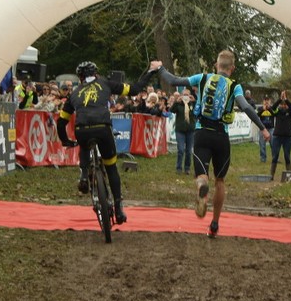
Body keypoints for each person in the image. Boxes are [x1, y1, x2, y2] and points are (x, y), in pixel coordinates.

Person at [153, 51, 271, 238]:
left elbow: (174, 80)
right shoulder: (235, 87)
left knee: (202, 174)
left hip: (201, 133)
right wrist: (263, 128)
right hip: (221, 137)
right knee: (220, 180)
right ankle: (215, 224)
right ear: (232, 68)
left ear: (216, 65)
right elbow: (247, 107)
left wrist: (159, 68)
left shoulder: (202, 78)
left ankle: (202, 186)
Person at [56, 61, 157, 224]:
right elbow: (135, 89)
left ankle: (83, 174)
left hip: (82, 129)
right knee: (111, 167)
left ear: (80, 77)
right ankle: (118, 209)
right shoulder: (105, 83)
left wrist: (65, 140)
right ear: (95, 74)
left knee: (83, 144)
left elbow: (61, 122)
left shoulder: (74, 93)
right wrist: (151, 72)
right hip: (103, 127)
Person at [269, 90, 291, 181]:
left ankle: (289, 175)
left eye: (285, 104)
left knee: (287, 156)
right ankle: (271, 175)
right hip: (277, 137)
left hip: (287, 137)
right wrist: (280, 99)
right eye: (282, 104)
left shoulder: (290, 113)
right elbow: (272, 108)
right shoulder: (277, 111)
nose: (283, 106)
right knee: (275, 156)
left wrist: (286, 99)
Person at [171, 88, 196, 174]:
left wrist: (194, 101)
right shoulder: (179, 104)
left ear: (190, 96)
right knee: (181, 150)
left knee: (189, 151)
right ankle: (178, 168)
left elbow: (198, 112)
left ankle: (187, 168)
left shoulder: (193, 104)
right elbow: (172, 110)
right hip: (180, 130)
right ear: (181, 95)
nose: (185, 96)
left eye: (187, 95)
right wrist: (176, 102)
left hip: (190, 130)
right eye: (184, 95)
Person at [255, 96, 274, 163]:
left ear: (270, 101)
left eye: (267, 100)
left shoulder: (272, 108)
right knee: (262, 145)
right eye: (265, 100)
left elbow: (274, 114)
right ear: (263, 101)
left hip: (271, 129)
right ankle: (263, 159)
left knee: (273, 144)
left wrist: (269, 108)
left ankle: (274, 159)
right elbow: (256, 116)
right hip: (262, 129)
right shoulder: (260, 108)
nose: (266, 102)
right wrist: (263, 109)